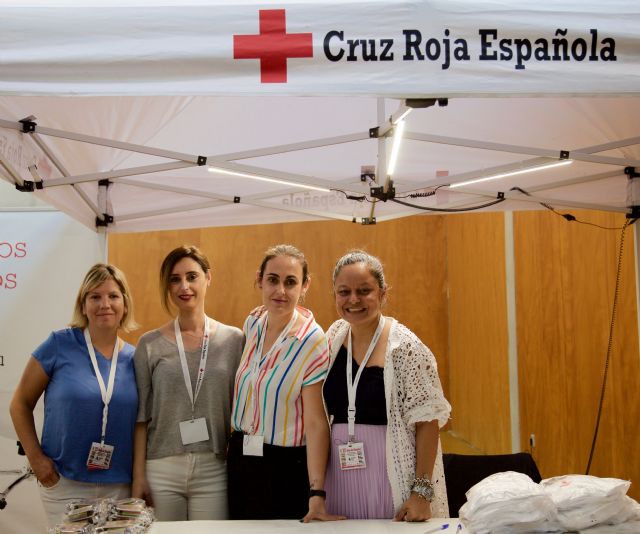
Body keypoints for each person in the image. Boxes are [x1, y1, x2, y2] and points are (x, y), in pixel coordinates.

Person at [322, 250, 451, 521]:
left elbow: (428, 423)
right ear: (334, 295)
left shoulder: (407, 348)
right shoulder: (332, 337)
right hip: (338, 479)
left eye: (364, 290)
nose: (353, 299)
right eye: (344, 292)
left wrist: (421, 493)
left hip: (390, 478)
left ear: (382, 293)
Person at [10, 263, 139, 527]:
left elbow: (142, 424)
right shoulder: (59, 345)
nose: (105, 304)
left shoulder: (135, 358)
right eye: (95, 296)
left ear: (125, 304)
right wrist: (36, 459)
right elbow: (19, 404)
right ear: (83, 305)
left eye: (113, 296)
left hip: (120, 486)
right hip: (65, 483)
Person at [228, 244, 343, 522]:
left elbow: (316, 423)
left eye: (290, 282)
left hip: (283, 467)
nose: (280, 290)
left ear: (305, 285)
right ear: (259, 280)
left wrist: (317, 493)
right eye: (273, 280)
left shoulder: (313, 341)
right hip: (241, 458)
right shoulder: (253, 322)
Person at [131, 245, 243, 521]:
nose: (184, 286)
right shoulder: (149, 344)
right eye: (175, 279)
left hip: (213, 467)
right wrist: (138, 477)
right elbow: (141, 418)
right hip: (161, 467)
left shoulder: (234, 340)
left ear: (208, 277)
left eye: (192, 276)